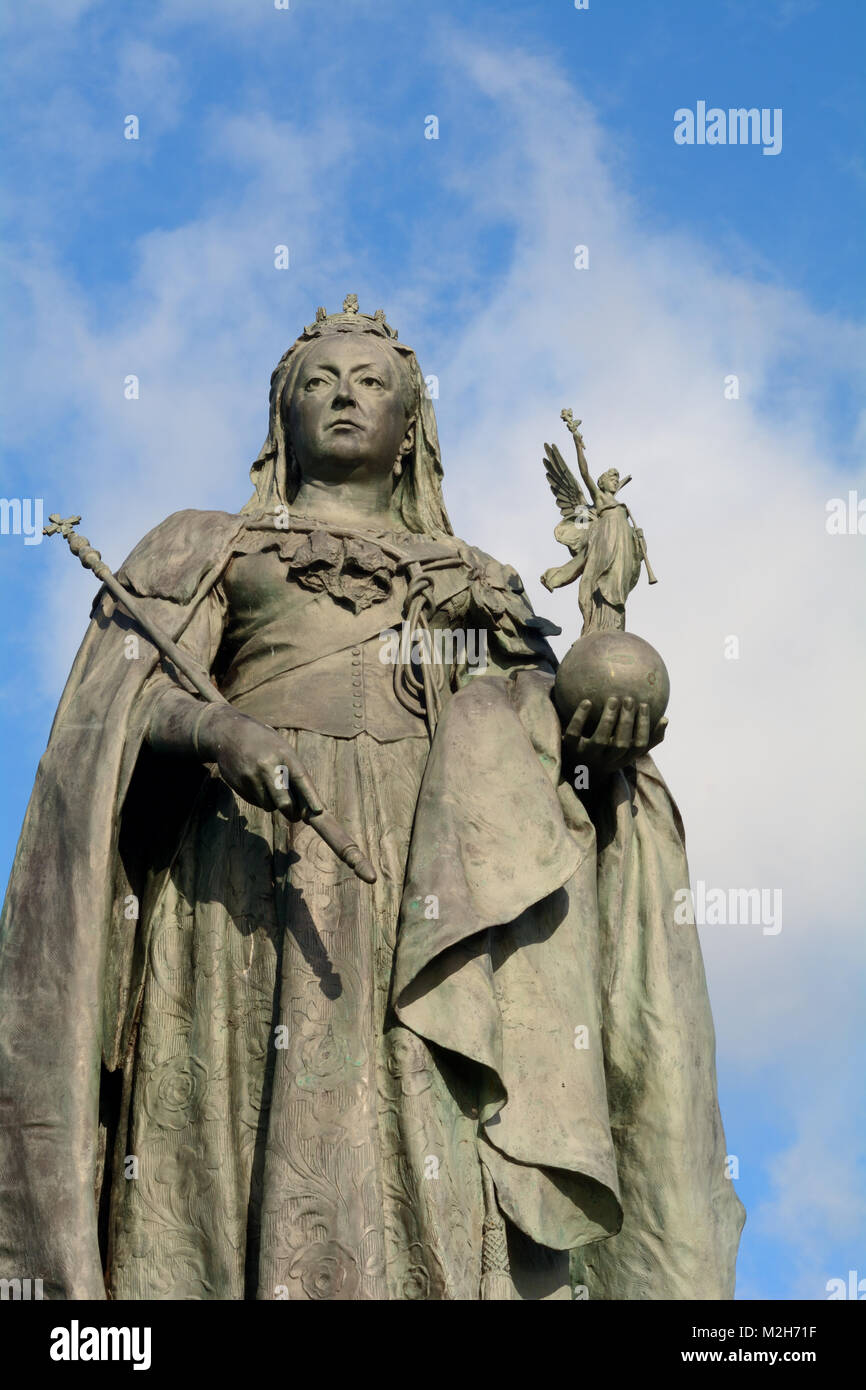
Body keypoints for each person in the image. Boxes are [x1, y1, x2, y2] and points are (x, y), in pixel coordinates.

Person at [0, 298, 744, 1300]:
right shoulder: (208, 545)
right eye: (320, 381)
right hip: (253, 867)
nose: (345, 396)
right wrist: (219, 729)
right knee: (244, 1130)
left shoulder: (479, 580)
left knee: (425, 1124)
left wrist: (604, 729)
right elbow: (103, 725)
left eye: (372, 383)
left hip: (434, 890)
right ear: (282, 414)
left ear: (410, 430)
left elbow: (543, 757)